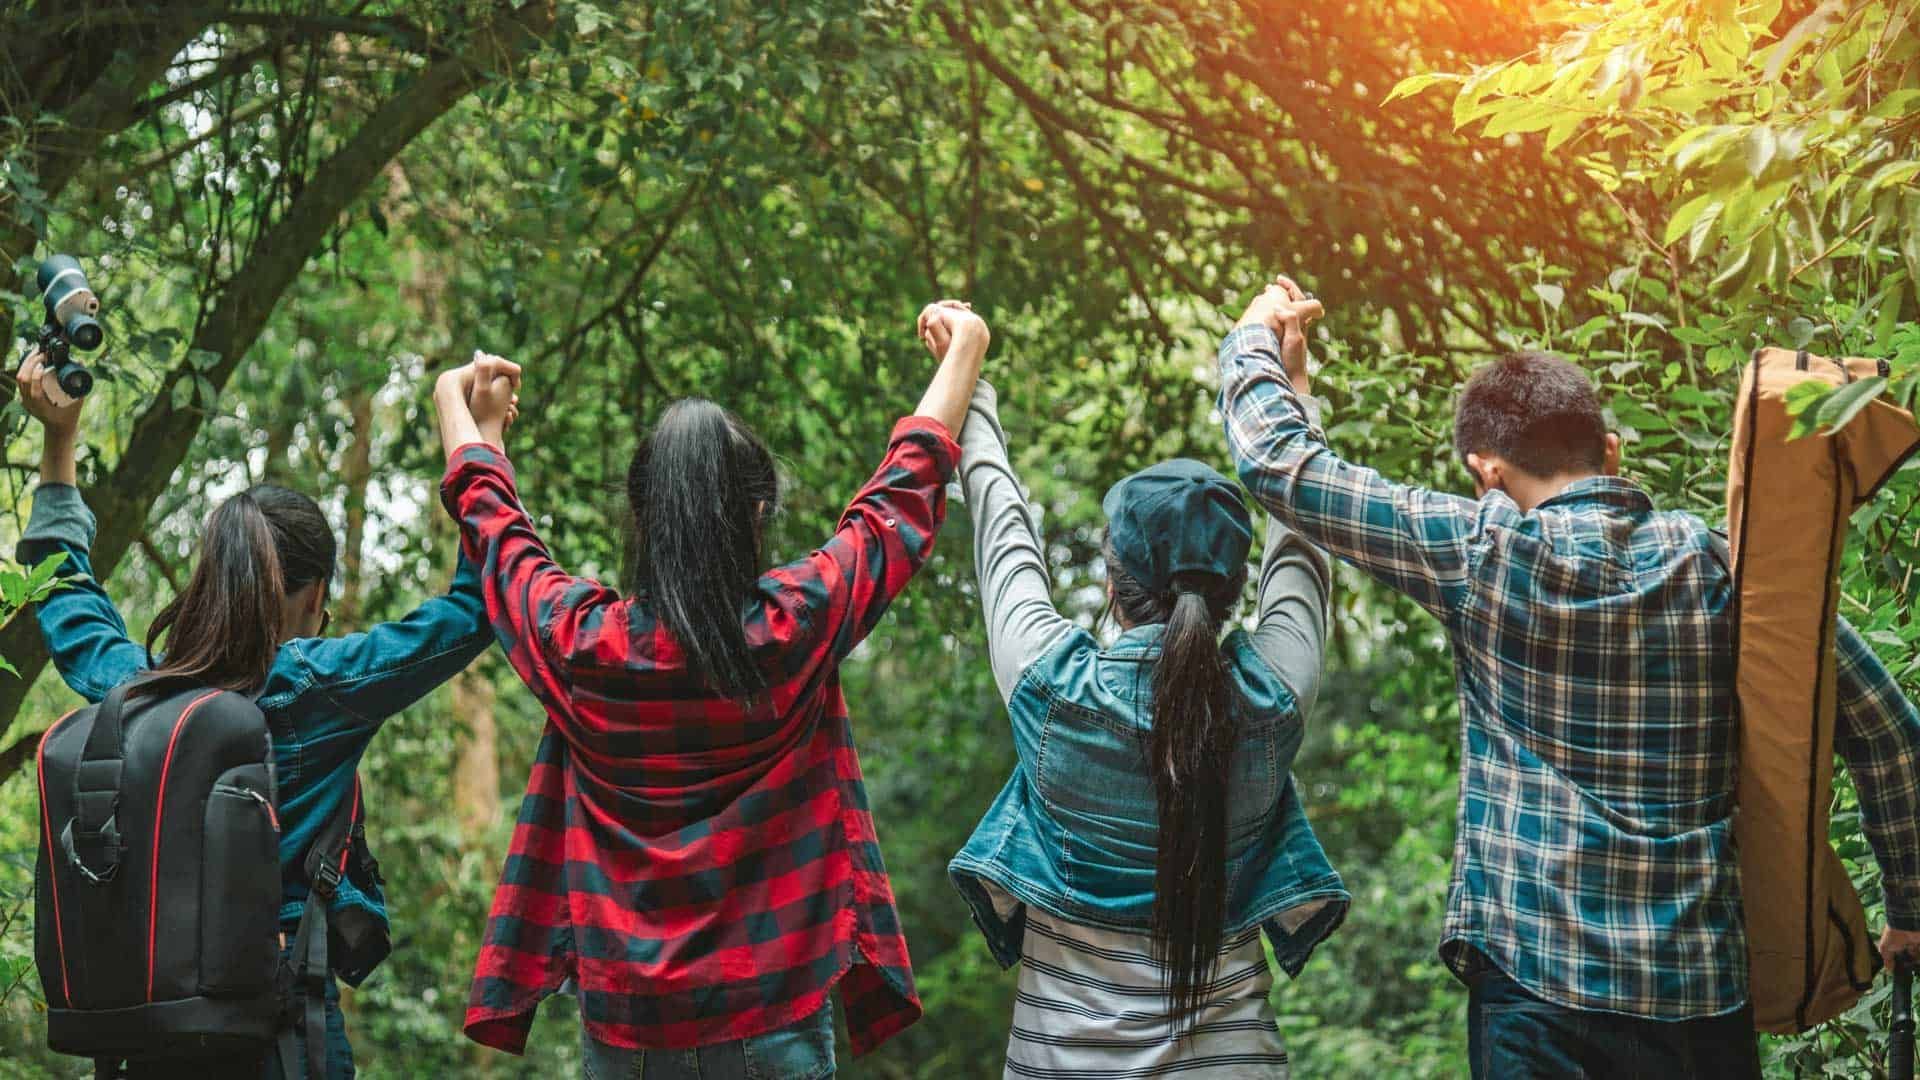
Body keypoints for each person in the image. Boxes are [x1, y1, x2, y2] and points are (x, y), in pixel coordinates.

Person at [1216, 274, 1920, 1078]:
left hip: (1534, 991)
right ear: (1611, 451)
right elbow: (1889, 733)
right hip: (1696, 993)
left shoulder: (1480, 554)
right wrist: (1909, 907)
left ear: (1485, 471)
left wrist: (1257, 343)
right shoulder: (1726, 569)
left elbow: (1280, 465)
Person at [434, 303, 987, 1078]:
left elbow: (501, 541)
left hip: (628, 1033)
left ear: (642, 517)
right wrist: (963, 350)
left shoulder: (585, 648)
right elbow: (897, 502)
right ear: (758, 513)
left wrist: (464, 417)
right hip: (775, 1025)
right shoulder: (796, 628)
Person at [13, 349, 509, 1078]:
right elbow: (476, 605)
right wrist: (481, 434)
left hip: (146, 1044)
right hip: (281, 1035)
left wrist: (59, 441)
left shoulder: (138, 687)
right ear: (312, 598)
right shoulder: (319, 686)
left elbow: (66, 592)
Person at [945, 338, 1348, 1078]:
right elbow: (1304, 543)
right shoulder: (1272, 700)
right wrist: (1292, 389)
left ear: (1111, 582)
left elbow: (1002, 533)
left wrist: (972, 386)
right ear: (1233, 592)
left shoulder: (1051, 691)